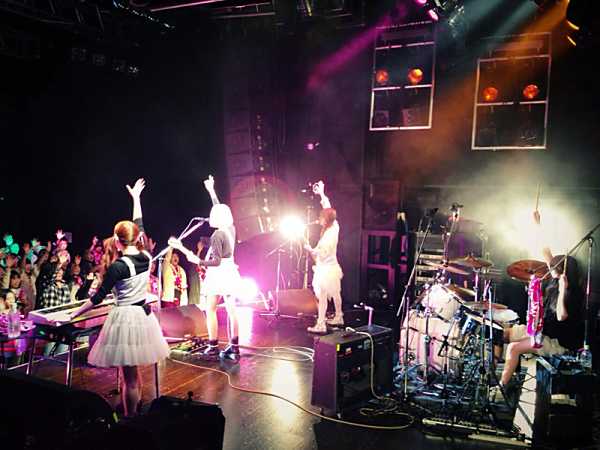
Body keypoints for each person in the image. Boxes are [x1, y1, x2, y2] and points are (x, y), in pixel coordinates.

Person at [65, 179, 171, 419]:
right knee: (134, 370)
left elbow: (97, 297)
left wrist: (73, 314)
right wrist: (136, 199)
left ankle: (130, 419)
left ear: (117, 241)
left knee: (129, 377)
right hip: (142, 316)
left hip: (125, 318)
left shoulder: (118, 266)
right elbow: (139, 224)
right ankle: (135, 410)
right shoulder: (146, 255)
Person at [492, 211, 584, 400]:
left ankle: (501, 389)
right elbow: (546, 252)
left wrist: (563, 290)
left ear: (563, 271)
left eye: (553, 269)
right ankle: (492, 377)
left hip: (555, 342)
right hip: (541, 331)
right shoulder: (553, 279)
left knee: (513, 348)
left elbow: (561, 316)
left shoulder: (573, 291)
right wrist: (538, 225)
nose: (549, 270)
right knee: (498, 333)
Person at [169, 175, 241, 361]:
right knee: (232, 310)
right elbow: (219, 208)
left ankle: (213, 346)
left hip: (218, 273)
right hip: (230, 271)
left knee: (211, 310)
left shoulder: (217, 236)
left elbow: (215, 262)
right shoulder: (231, 228)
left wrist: (198, 261)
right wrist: (212, 192)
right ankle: (234, 347)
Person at [303, 181, 344, 334]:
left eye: (321, 218)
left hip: (326, 270)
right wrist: (321, 192)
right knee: (336, 293)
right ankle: (339, 316)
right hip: (333, 267)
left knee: (323, 296)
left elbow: (323, 253)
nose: (319, 219)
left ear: (325, 220)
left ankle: (321, 324)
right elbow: (327, 206)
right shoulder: (335, 225)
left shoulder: (328, 235)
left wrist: (311, 249)